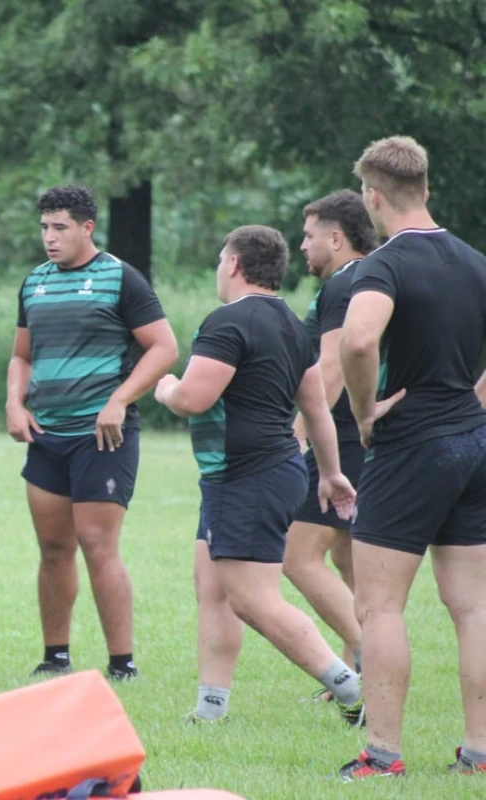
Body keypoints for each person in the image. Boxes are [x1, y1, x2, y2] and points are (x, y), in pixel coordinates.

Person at [154, 225, 363, 727]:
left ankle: (354, 690)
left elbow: (191, 399)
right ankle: (210, 708)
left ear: (233, 264)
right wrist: (330, 472)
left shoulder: (227, 322)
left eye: (220, 260)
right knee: (212, 586)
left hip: (246, 477)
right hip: (259, 474)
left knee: (253, 599)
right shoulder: (293, 325)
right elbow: (316, 409)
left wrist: (165, 386)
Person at [338, 135, 486, 780]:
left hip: (412, 446)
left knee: (380, 607)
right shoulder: (476, 262)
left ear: (372, 196)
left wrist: (366, 409)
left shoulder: (385, 265)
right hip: (474, 443)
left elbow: (361, 336)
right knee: (475, 606)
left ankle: (383, 755)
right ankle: (480, 753)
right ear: (425, 188)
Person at [6, 185, 178, 681]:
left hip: (102, 437)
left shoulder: (121, 278)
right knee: (53, 548)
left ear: (87, 228)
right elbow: (21, 355)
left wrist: (119, 401)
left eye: (59, 227)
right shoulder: (35, 282)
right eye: (43, 227)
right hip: (46, 434)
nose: (49, 238)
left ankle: (122, 663)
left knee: (98, 543)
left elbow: (164, 348)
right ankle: (54, 655)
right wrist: (14, 402)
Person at [286, 189, 379, 690]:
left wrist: (301, 433)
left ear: (337, 238)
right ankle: (359, 667)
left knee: (297, 556)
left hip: (341, 435)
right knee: (348, 559)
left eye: (309, 235)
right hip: (359, 435)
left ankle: (369, 659)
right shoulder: (369, 278)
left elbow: (331, 365)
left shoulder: (346, 284)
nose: (302, 246)